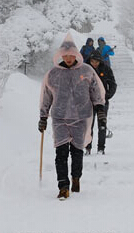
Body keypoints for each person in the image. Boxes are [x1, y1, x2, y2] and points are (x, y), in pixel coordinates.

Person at [39, 33, 106, 199]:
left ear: (76, 55)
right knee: (61, 153)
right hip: (60, 118)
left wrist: (100, 109)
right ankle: (63, 186)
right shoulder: (53, 73)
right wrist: (43, 116)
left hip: (80, 117)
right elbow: (46, 95)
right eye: (65, 55)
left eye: (71, 55)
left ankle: (76, 177)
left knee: (77, 151)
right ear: (61, 55)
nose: (68, 58)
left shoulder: (87, 71)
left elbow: (96, 90)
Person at [85, 50, 117, 154]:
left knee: (102, 124)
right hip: (88, 102)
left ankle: (101, 148)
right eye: (92, 61)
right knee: (89, 125)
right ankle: (88, 147)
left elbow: (113, 84)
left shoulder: (106, 69)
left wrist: (107, 96)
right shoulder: (84, 69)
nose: (94, 63)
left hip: (102, 102)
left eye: (96, 61)